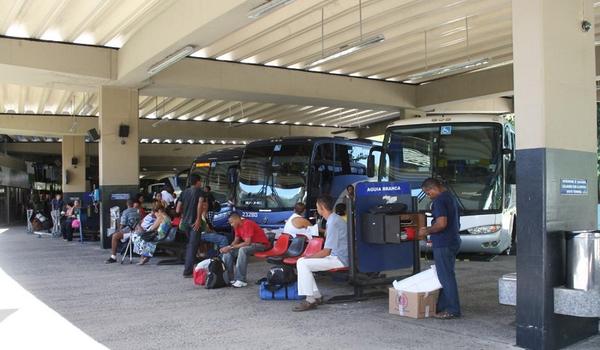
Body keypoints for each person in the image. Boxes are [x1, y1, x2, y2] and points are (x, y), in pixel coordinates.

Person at [293, 195, 348, 312]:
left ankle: (310, 299)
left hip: (340, 259)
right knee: (303, 262)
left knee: (303, 263)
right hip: (337, 256)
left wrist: (309, 257)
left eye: (317, 207)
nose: (317, 209)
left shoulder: (333, 222)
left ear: (322, 207)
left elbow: (326, 251)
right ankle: (316, 296)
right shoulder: (334, 219)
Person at [417, 178, 461, 319]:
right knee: (445, 275)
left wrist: (427, 231)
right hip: (453, 240)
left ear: (433, 188)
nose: (428, 195)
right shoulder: (450, 197)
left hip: (444, 243)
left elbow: (441, 224)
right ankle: (442, 306)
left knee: (446, 277)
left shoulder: (439, 200)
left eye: (428, 192)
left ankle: (453, 309)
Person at [220, 213, 271, 288]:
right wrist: (228, 247)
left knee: (243, 250)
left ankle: (241, 280)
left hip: (261, 245)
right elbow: (236, 240)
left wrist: (231, 247)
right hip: (251, 245)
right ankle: (230, 278)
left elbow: (247, 242)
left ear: (237, 219)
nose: (231, 225)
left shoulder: (247, 224)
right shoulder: (236, 226)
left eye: (232, 222)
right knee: (228, 252)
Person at [179, 175, 207, 277]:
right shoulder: (200, 191)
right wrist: (198, 219)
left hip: (185, 223)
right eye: (200, 181)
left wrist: (184, 214)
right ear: (198, 182)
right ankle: (188, 271)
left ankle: (190, 267)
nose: (201, 183)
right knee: (192, 246)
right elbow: (200, 204)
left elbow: (178, 208)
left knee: (191, 245)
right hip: (195, 223)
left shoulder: (184, 192)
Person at [105, 200, 141, 264]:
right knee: (116, 235)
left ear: (127, 204)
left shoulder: (126, 212)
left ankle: (113, 257)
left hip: (130, 231)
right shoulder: (137, 211)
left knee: (114, 236)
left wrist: (118, 230)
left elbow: (122, 224)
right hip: (136, 230)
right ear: (133, 204)